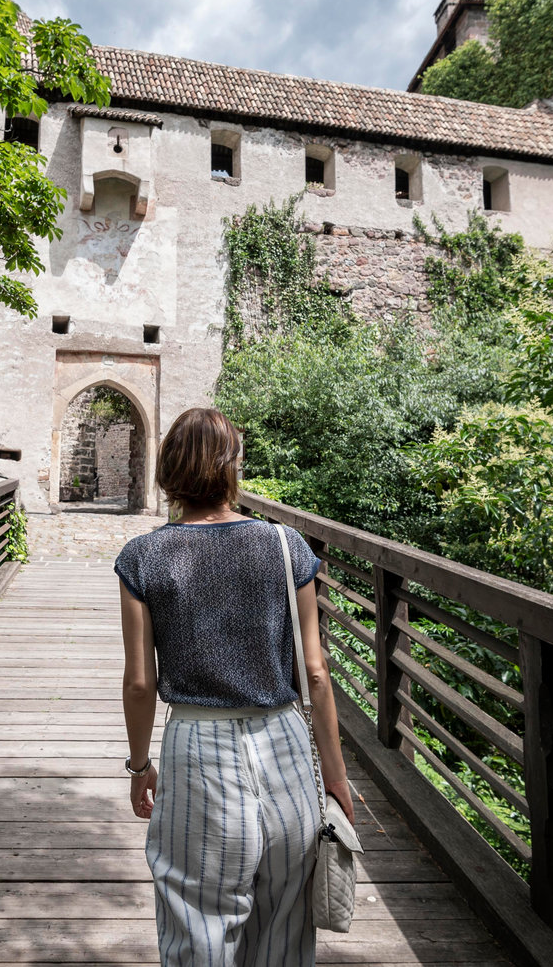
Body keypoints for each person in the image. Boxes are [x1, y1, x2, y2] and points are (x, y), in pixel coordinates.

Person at [114, 406, 353, 967]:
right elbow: (315, 673)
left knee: (198, 925)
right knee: (285, 932)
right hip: (287, 750)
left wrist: (139, 764)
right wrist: (336, 781)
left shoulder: (143, 557)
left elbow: (141, 681)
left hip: (198, 752)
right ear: (232, 469)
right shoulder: (284, 546)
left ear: (168, 471)